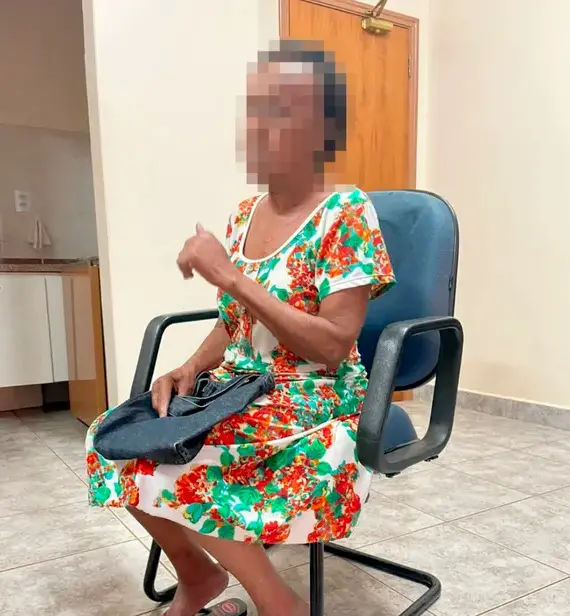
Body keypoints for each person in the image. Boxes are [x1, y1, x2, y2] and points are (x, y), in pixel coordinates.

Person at [86, 40, 395, 616]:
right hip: (238, 389)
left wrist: (231, 276)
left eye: (281, 109)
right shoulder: (243, 215)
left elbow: (333, 345)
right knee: (114, 442)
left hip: (314, 396)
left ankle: (278, 603)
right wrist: (189, 366)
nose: (259, 125)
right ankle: (199, 578)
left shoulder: (347, 214)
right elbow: (236, 324)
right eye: (256, 108)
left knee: (178, 466)